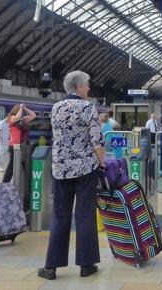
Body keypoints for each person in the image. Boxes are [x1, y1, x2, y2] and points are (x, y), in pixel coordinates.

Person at [38, 71, 104, 281]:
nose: (89, 88)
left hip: (61, 169)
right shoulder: (88, 107)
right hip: (85, 169)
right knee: (85, 215)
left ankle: (51, 267)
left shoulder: (56, 107)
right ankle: (86, 264)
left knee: (60, 215)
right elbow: (97, 140)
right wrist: (102, 162)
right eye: (87, 85)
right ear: (78, 87)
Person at [2, 104, 36, 184]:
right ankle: (5, 182)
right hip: (14, 145)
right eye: (21, 111)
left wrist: (25, 108)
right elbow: (17, 117)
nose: (22, 113)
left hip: (23, 145)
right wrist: (21, 108)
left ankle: (26, 183)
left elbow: (33, 115)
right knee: (12, 164)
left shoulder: (23, 120)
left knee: (24, 163)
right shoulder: (12, 118)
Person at [0, 112, 11, 177]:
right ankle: (0, 167)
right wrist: (1, 140)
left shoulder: (9, 123)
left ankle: (7, 166)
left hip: (8, 141)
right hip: (1, 141)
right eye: (10, 118)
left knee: (8, 154)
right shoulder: (1, 123)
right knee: (1, 154)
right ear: (8, 116)